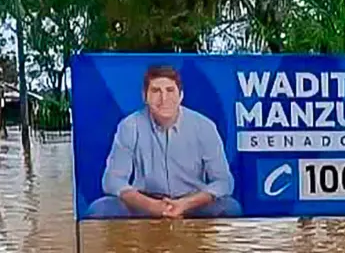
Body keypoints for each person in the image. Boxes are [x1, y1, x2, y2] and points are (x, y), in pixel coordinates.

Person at [86, 65, 242, 219]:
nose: (164, 99)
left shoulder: (204, 126)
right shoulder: (129, 126)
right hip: (145, 202)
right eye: (156, 91)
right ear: (144, 96)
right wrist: (151, 206)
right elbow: (112, 180)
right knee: (100, 209)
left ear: (181, 95)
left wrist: (185, 204)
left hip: (192, 203)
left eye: (170, 90)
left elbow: (224, 182)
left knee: (230, 207)